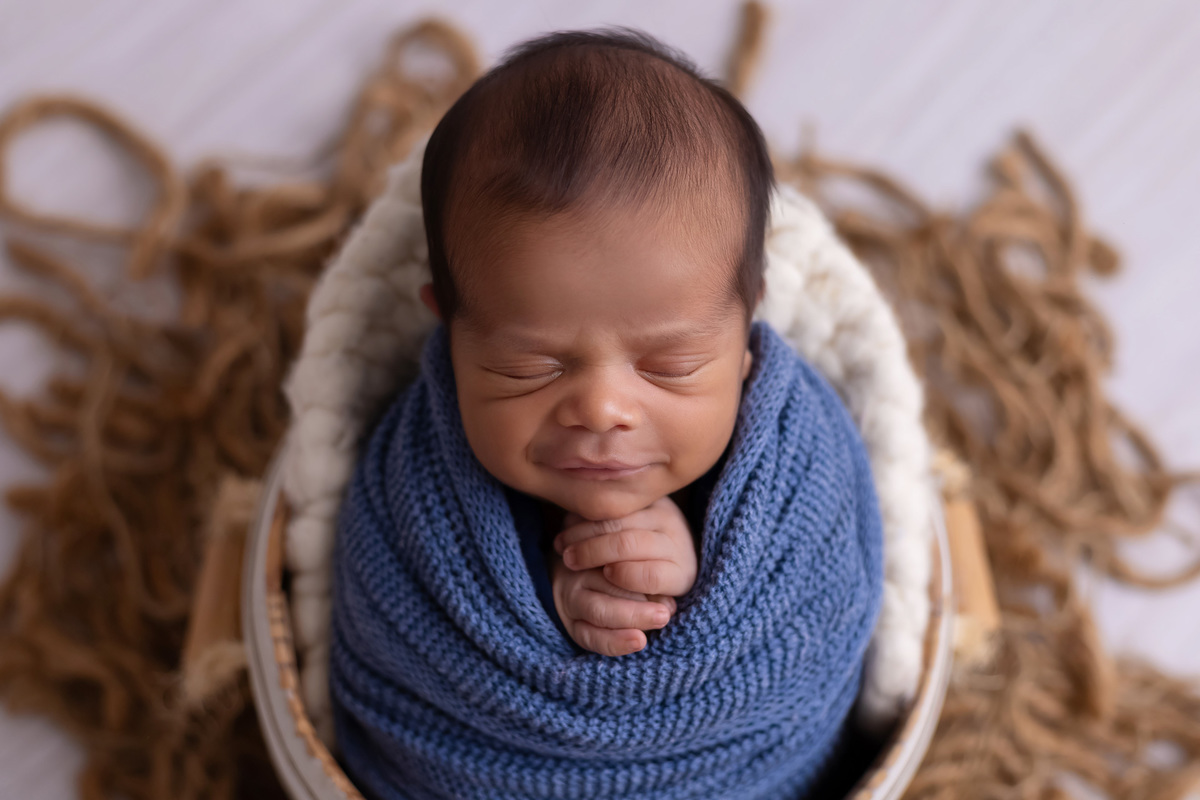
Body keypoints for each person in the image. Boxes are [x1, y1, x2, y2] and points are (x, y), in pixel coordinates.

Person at [417, 28, 774, 657]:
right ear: (448, 329)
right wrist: (548, 594)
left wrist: (702, 552)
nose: (603, 409)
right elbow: (407, 621)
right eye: (529, 366)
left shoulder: (782, 474)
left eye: (671, 365)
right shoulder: (422, 493)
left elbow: (801, 602)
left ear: (746, 337)